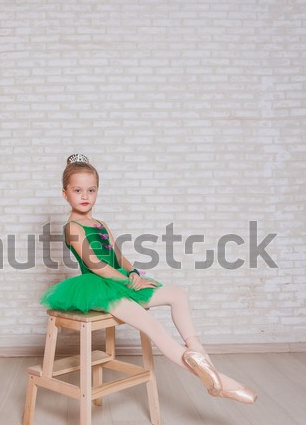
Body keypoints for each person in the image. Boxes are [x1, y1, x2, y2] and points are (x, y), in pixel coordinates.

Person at [40, 153, 257, 404]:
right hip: (98, 287)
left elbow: (118, 257)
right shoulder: (73, 227)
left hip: (119, 280)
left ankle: (201, 357)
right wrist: (130, 283)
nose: (85, 196)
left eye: (91, 190)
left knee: (177, 293)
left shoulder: (100, 224)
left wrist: (133, 273)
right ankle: (220, 383)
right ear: (65, 194)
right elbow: (97, 266)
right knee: (154, 327)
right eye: (78, 190)